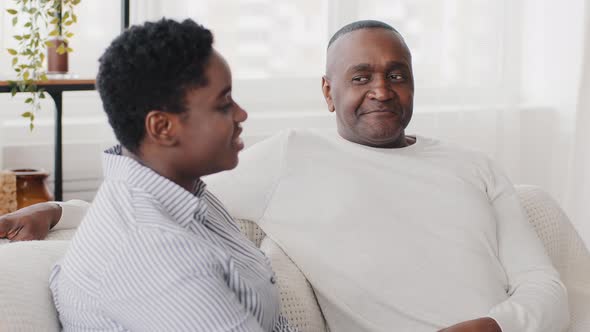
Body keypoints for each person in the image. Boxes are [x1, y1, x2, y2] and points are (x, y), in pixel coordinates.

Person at [0, 20, 569, 332]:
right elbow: (149, 202)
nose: (382, 90)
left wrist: (495, 327)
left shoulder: (474, 165)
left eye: (398, 74)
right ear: (327, 91)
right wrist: (63, 210)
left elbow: (545, 286)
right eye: (361, 76)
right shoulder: (288, 159)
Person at [21, 18, 293, 332]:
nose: (241, 114)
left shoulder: (181, 193)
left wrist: (56, 211)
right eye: (224, 104)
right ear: (162, 128)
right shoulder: (156, 254)